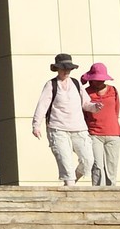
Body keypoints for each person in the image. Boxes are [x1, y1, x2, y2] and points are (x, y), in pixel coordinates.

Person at [31, 53, 91, 186]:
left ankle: (72, 182)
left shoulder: (76, 83)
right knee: (66, 161)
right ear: (57, 69)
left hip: (79, 128)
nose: (66, 71)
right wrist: (36, 125)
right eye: (63, 68)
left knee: (88, 161)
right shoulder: (51, 84)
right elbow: (42, 105)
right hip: (58, 129)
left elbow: (86, 103)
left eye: (68, 68)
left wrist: (94, 107)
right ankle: (70, 186)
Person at [80, 62, 120, 186]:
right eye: (96, 79)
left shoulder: (113, 90)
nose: (99, 82)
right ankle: (97, 191)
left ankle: (112, 191)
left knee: (111, 166)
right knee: (97, 166)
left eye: (101, 79)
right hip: (94, 134)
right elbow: (83, 113)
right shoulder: (86, 92)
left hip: (113, 133)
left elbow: (116, 110)